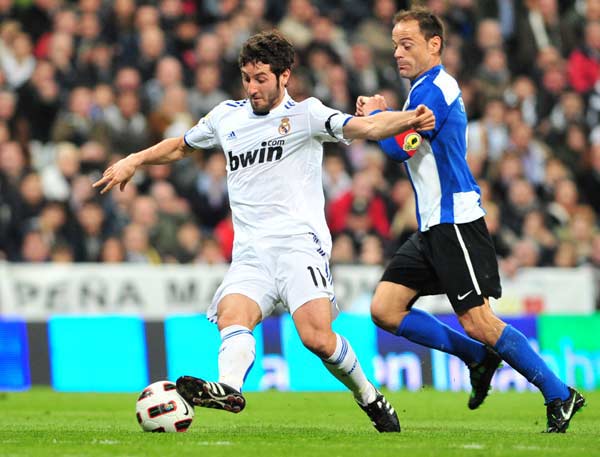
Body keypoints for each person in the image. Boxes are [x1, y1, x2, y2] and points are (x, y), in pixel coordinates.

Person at [94, 30, 435, 433]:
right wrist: (135, 159)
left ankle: (370, 398)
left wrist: (410, 118)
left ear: (284, 76)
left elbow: (366, 130)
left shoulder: (307, 115)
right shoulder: (226, 117)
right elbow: (181, 146)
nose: (253, 88)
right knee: (231, 315)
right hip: (251, 251)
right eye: (247, 78)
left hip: (299, 246)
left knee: (317, 339)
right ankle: (229, 389)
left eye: (261, 79)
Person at [356, 8, 585, 433]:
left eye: (406, 45)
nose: (397, 54)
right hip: (431, 227)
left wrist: (378, 116)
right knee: (385, 309)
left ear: (434, 44)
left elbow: (398, 150)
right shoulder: (419, 92)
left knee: (479, 320)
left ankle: (560, 393)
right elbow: (401, 142)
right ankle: (476, 357)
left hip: (455, 224)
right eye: (394, 46)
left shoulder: (438, 89)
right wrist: (385, 114)